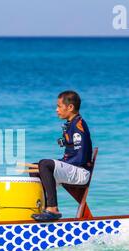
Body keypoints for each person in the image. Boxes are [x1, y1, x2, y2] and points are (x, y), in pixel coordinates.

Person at [31, 90, 93, 221]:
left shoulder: (78, 124)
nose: (56, 110)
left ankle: (53, 209)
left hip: (81, 172)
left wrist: (60, 164)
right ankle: (44, 209)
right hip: (74, 169)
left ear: (70, 107)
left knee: (45, 164)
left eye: (59, 106)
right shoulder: (71, 124)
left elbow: (80, 157)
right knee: (34, 168)